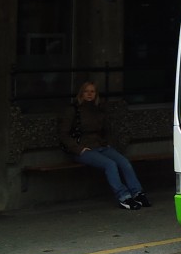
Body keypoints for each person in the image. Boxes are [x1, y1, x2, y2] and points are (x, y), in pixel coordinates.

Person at [58, 81, 149, 210]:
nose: (89, 94)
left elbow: (107, 130)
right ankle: (123, 197)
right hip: (82, 149)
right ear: (81, 93)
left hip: (101, 146)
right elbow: (63, 134)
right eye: (86, 91)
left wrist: (106, 142)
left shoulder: (99, 109)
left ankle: (138, 193)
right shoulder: (73, 110)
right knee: (110, 165)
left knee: (124, 162)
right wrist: (79, 149)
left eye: (92, 91)